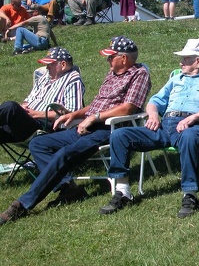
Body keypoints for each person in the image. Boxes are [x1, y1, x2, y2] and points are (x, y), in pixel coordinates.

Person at [0, 36, 151, 226]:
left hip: (111, 129)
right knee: (38, 143)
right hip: (87, 125)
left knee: (65, 154)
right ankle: (67, 187)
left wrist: (93, 118)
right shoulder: (112, 73)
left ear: (124, 58)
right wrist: (74, 114)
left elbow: (128, 108)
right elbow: (96, 105)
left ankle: (22, 204)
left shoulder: (139, 74)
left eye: (111, 57)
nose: (108, 60)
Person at [99, 38, 199, 217]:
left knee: (189, 137)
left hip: (194, 126)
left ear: (198, 61)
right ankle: (123, 192)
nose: (181, 62)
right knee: (120, 135)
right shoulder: (176, 78)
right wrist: (153, 114)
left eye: (185, 58)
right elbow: (154, 101)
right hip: (165, 126)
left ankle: (190, 194)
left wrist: (194, 117)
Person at [0, 47, 84, 144]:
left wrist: (36, 114)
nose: (47, 67)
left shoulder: (73, 79)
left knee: (10, 107)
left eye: (50, 64)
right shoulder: (45, 77)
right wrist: (23, 106)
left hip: (43, 127)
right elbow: (29, 99)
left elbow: (71, 113)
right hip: (26, 121)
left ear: (63, 64)